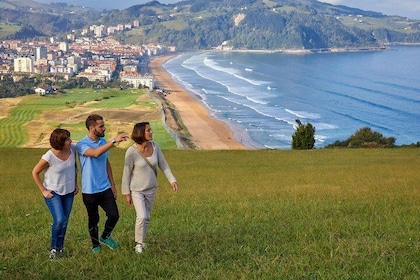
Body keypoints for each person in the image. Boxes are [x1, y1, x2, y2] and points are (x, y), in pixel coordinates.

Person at [122, 122, 179, 254]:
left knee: (146, 216)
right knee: (141, 216)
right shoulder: (131, 152)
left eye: (150, 130)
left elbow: (163, 165)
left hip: (151, 189)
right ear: (141, 133)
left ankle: (142, 241)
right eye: (148, 130)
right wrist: (126, 193)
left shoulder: (155, 147)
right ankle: (138, 244)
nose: (151, 132)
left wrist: (172, 180)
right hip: (137, 190)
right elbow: (126, 173)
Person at [75, 114, 128, 253]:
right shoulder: (81, 145)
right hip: (89, 190)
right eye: (101, 126)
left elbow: (106, 162)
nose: (104, 128)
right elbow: (95, 153)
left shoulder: (103, 141)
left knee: (114, 215)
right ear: (92, 128)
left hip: (105, 188)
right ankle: (95, 245)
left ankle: (105, 236)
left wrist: (113, 185)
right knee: (94, 219)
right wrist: (113, 141)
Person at [32, 128, 79, 260]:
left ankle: (60, 248)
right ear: (60, 142)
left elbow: (74, 168)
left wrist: (75, 184)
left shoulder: (72, 149)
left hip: (69, 192)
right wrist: (43, 191)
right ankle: (53, 249)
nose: (70, 141)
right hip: (53, 193)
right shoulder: (49, 156)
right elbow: (34, 172)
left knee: (65, 222)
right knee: (59, 220)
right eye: (67, 139)